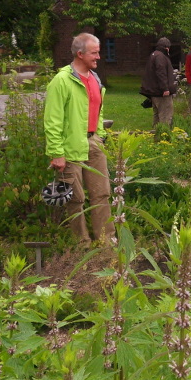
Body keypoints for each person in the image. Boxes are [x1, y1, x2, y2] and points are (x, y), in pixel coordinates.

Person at [44, 33, 115, 245]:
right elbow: (52, 120)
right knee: (76, 199)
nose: (99, 57)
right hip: (70, 146)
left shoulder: (95, 79)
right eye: (94, 53)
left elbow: (98, 110)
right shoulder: (61, 81)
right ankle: (81, 245)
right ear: (80, 54)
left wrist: (100, 136)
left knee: (102, 193)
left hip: (93, 143)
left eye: (99, 52)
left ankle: (106, 242)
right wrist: (57, 153)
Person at [140, 37, 177, 126]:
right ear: (167, 47)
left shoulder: (154, 54)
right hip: (161, 93)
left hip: (155, 92)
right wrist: (165, 88)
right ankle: (163, 136)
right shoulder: (160, 56)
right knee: (165, 116)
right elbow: (161, 73)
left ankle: (155, 136)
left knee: (157, 117)